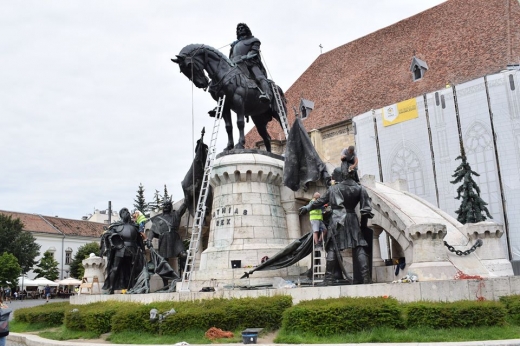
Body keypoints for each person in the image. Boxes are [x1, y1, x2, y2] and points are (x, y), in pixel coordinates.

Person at [299, 167, 374, 284]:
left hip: (337, 219)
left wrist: (307, 208)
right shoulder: (360, 189)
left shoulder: (333, 189)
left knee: (333, 248)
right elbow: (366, 211)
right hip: (352, 219)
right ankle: (366, 277)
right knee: (359, 246)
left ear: (341, 175)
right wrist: (362, 226)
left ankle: (328, 278)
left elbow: (319, 201)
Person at [101, 208, 145, 294]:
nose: (127, 213)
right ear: (121, 215)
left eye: (127, 211)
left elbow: (139, 240)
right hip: (120, 249)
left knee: (133, 269)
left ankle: (132, 287)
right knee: (115, 268)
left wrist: (143, 249)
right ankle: (111, 288)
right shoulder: (116, 226)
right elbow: (109, 236)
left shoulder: (135, 226)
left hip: (133, 249)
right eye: (124, 212)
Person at [148, 199, 187, 287]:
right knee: (163, 262)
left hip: (175, 238)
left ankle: (186, 277)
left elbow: (183, 207)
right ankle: (165, 284)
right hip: (164, 239)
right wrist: (149, 240)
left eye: (168, 204)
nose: (166, 206)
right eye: (164, 205)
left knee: (184, 255)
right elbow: (152, 231)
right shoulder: (157, 219)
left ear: (171, 206)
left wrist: (188, 197)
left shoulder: (175, 215)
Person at [229, 23, 271, 103]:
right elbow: (231, 57)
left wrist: (246, 57)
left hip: (250, 63)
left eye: (242, 28)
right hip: (237, 66)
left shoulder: (254, 40)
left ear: (247, 29)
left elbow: (254, 51)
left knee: (259, 77)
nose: (240, 29)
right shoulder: (234, 45)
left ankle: (267, 94)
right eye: (239, 29)